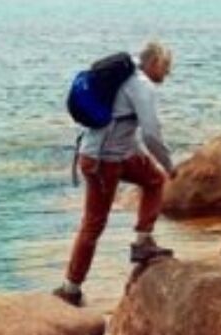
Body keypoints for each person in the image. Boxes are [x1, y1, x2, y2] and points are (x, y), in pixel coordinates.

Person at [54, 40, 175, 306]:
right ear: (154, 62)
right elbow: (152, 133)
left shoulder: (127, 76)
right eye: (166, 68)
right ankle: (70, 288)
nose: (167, 74)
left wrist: (142, 156)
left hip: (116, 154)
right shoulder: (141, 85)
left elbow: (122, 123)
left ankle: (143, 242)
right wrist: (170, 165)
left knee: (154, 180)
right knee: (94, 223)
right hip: (101, 160)